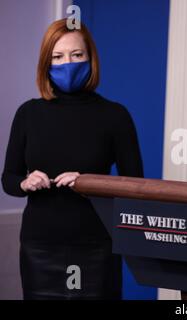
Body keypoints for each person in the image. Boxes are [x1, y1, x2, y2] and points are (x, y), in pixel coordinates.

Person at [1, 19, 143, 299]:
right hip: (39, 248)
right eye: (58, 56)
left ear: (90, 57)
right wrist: (26, 183)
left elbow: (135, 186)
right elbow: (8, 179)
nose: (68, 63)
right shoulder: (28, 114)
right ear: (46, 63)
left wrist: (90, 182)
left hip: (96, 247)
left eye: (77, 55)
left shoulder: (115, 116)